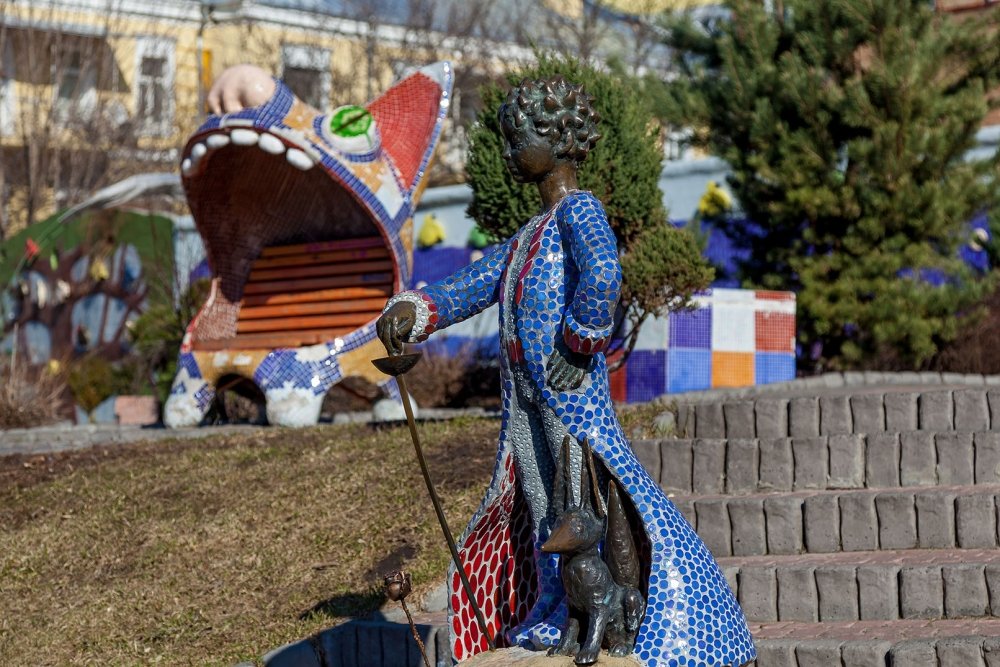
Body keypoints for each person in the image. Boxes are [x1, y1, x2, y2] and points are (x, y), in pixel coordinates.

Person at [377, 76, 754, 667]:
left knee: (580, 504)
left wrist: (579, 343)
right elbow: (473, 285)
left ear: (556, 138)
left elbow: (604, 272)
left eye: (516, 137)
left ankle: (619, 610)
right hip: (525, 396)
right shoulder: (528, 234)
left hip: (570, 393)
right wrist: (416, 309)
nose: (507, 151)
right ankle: (557, 603)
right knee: (535, 497)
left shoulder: (580, 210)